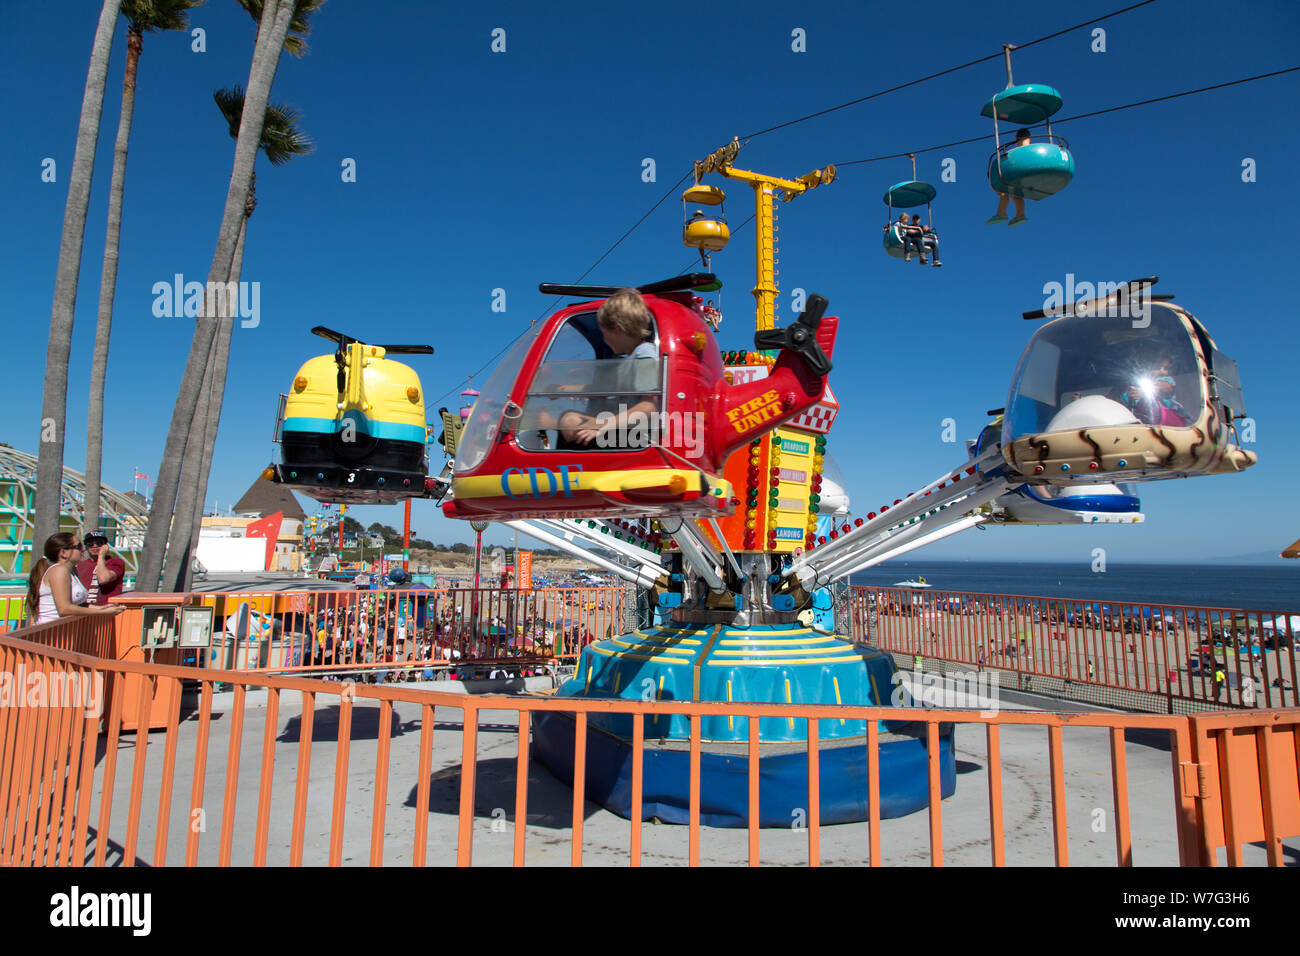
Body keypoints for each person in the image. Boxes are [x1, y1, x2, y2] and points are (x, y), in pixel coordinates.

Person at [561, 288, 660, 447]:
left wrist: (603, 424)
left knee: (569, 422)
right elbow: (602, 389)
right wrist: (562, 389)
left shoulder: (644, 355)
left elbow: (649, 406)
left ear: (616, 329)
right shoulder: (630, 359)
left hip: (635, 437)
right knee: (569, 419)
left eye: (604, 333)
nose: (604, 339)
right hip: (624, 430)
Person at [26, 533, 125, 626]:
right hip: (49, 632)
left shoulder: (71, 571)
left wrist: (102, 607)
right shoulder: (59, 570)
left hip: (62, 631)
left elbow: (78, 604)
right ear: (64, 553)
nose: (83, 550)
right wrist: (102, 612)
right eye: (78, 547)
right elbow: (64, 608)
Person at [987, 128, 1032, 226]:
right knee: (1016, 195)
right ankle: (1020, 215)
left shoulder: (1020, 151)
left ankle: (1001, 213)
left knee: (1004, 191)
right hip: (1027, 174)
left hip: (1022, 171)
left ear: (1017, 138)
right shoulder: (1033, 149)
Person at [76, 532, 126, 606]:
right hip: (85, 611)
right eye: (90, 544)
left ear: (105, 546)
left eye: (99, 543)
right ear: (86, 547)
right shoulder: (80, 565)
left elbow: (103, 579)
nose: (95, 546)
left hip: (107, 611)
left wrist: (101, 556)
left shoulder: (116, 562)